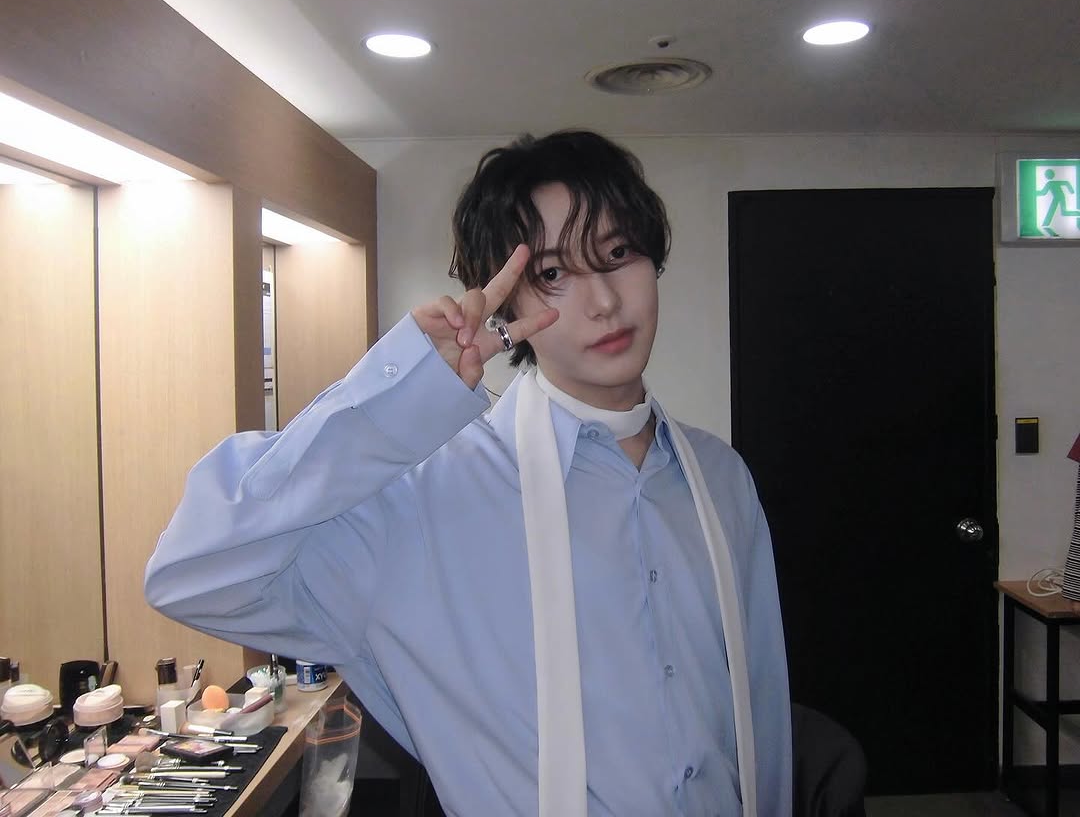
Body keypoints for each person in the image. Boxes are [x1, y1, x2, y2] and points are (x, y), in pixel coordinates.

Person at [145, 130, 793, 816]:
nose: (604, 301)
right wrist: (396, 395)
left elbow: (760, 707)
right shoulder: (420, 503)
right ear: (507, 302)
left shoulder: (718, 478)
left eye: (616, 254)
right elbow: (193, 573)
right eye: (553, 274)